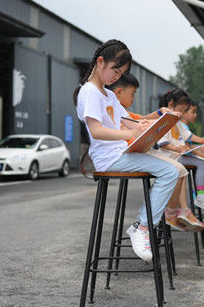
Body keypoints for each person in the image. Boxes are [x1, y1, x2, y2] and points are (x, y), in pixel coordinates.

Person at [73, 39, 180, 262]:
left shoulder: (110, 95)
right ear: (100, 62)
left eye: (121, 73)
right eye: (115, 70)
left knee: (174, 168)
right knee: (169, 172)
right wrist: (131, 134)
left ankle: (144, 225)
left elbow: (128, 122)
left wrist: (156, 127)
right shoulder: (89, 92)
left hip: (123, 152)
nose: (117, 77)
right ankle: (143, 227)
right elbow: (97, 131)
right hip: (109, 159)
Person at [107, 74, 204, 232]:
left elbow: (142, 118)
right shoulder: (112, 110)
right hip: (126, 155)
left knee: (178, 170)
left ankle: (151, 220)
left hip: (138, 151)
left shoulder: (122, 112)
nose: (133, 98)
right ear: (118, 92)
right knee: (174, 170)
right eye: (132, 93)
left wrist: (159, 115)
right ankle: (155, 220)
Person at [157, 90, 204, 212]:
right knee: (201, 163)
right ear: (170, 105)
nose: (182, 113)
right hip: (171, 157)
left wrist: (202, 141)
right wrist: (178, 148)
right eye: (181, 109)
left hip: (178, 156)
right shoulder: (162, 122)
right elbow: (162, 144)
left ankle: (201, 195)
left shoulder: (176, 122)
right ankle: (201, 196)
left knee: (201, 163)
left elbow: (188, 136)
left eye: (184, 111)